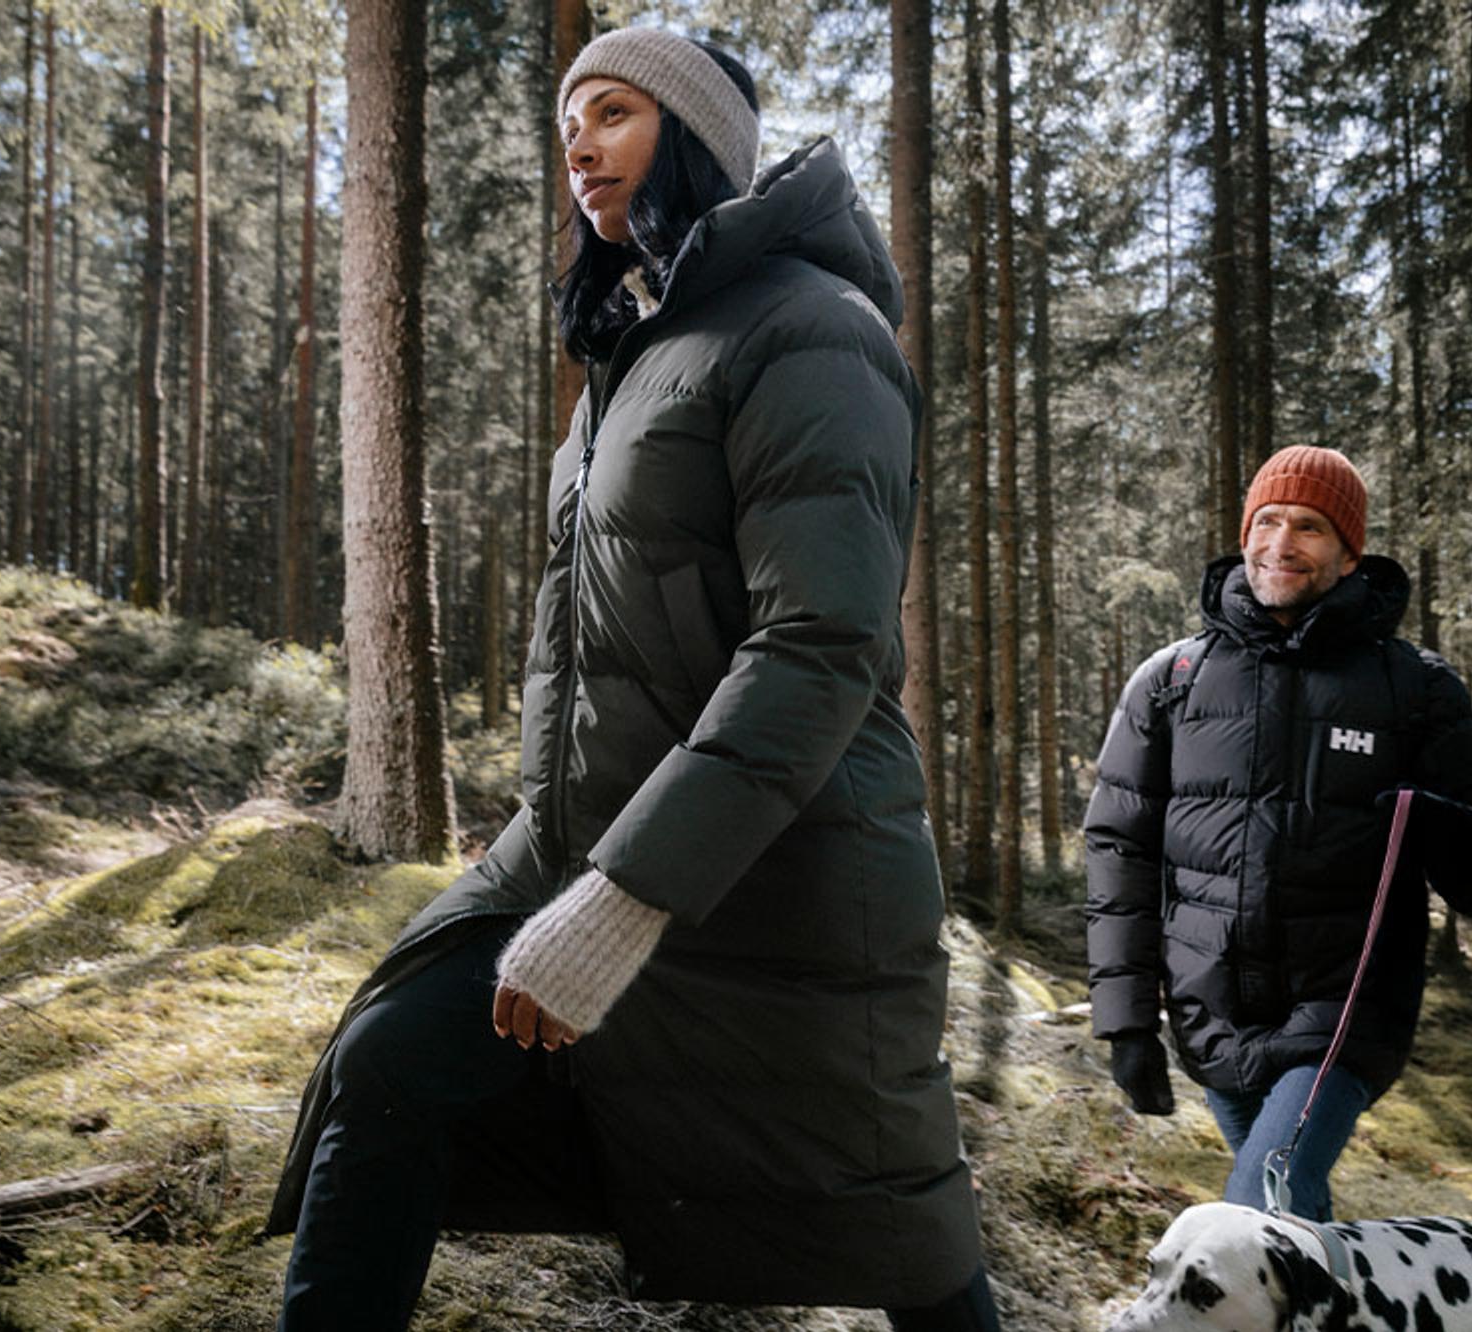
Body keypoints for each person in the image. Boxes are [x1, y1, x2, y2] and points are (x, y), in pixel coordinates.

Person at [267, 27, 997, 1331]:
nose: (581, 149)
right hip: (593, 851)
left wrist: (624, 898)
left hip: (794, 880)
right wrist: (549, 849)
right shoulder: (625, 364)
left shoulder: (814, 333)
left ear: (697, 139)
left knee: (898, 1223)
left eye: (614, 114)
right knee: (387, 1066)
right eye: (568, 128)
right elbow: (594, 650)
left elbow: (818, 645)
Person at [1083, 444, 1472, 1222]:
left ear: (1351, 552)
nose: (1281, 544)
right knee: (1290, 1228)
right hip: (1210, 1011)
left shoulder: (1414, 687)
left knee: (1257, 1210)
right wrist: (1126, 1022)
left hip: (1343, 1011)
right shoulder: (1173, 680)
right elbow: (1120, 847)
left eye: (1311, 527)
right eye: (1268, 521)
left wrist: (1441, 827)